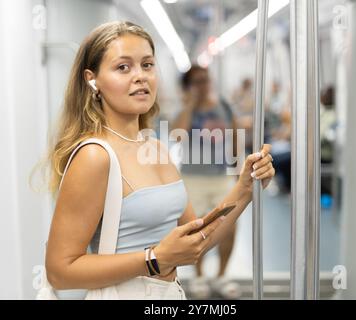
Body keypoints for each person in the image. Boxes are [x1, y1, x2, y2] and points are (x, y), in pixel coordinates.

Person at [43, 21, 275, 300]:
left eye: (147, 65)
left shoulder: (154, 147)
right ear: (93, 80)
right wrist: (154, 259)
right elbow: (60, 271)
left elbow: (196, 242)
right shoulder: (95, 155)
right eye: (123, 67)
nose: (140, 76)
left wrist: (245, 189)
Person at [171, 65, 243, 299]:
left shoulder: (222, 106)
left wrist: (237, 166)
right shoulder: (183, 110)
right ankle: (200, 275)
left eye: (205, 80)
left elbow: (234, 135)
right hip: (193, 178)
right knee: (197, 229)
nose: (203, 85)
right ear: (189, 86)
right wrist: (191, 103)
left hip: (220, 176)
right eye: (197, 81)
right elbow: (177, 135)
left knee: (230, 227)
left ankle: (221, 275)